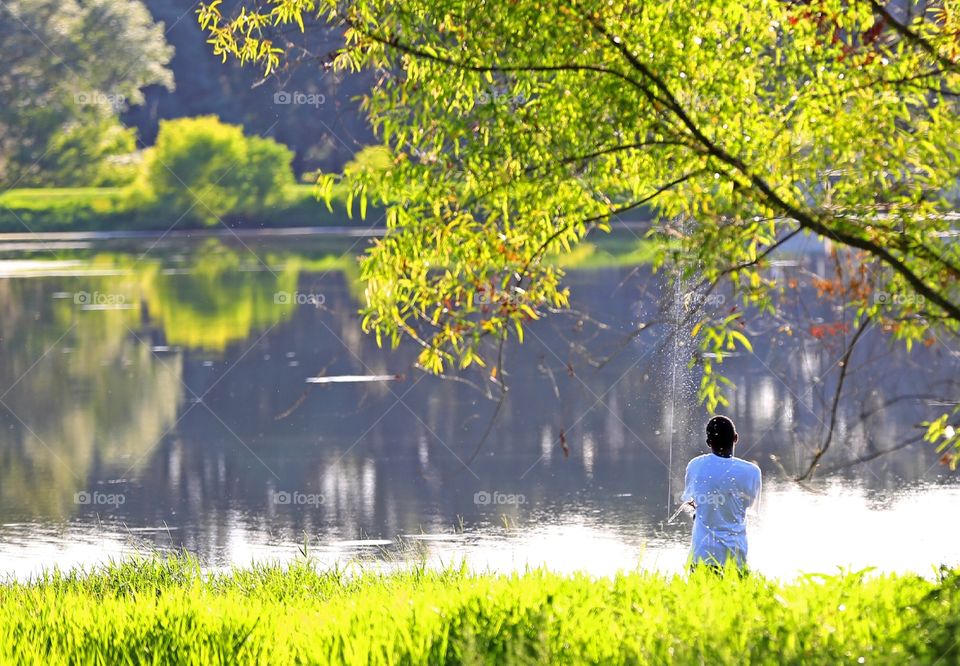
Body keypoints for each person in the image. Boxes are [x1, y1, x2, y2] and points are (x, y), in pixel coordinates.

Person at [680, 415, 761, 572]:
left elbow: (691, 502)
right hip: (735, 558)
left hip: (702, 556)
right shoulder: (752, 472)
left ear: (708, 443)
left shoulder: (695, 465)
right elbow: (748, 507)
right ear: (735, 438)